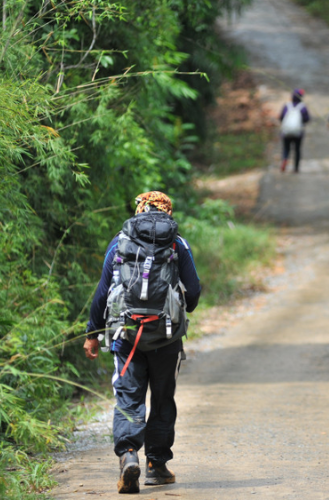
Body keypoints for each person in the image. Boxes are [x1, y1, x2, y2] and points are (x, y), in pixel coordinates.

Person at [83, 191, 201, 494]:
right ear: (168, 213)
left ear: (139, 210)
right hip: (166, 338)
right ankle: (156, 466)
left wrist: (92, 334)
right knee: (162, 399)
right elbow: (195, 291)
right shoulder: (177, 243)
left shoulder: (120, 241)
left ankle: (128, 455)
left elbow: (102, 293)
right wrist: (178, 309)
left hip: (126, 338)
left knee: (128, 398)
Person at [278, 88, 310, 173]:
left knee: (286, 148)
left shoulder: (287, 106)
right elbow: (307, 119)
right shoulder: (303, 107)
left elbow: (281, 117)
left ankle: (285, 159)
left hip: (286, 131)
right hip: (298, 132)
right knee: (297, 149)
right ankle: (296, 168)